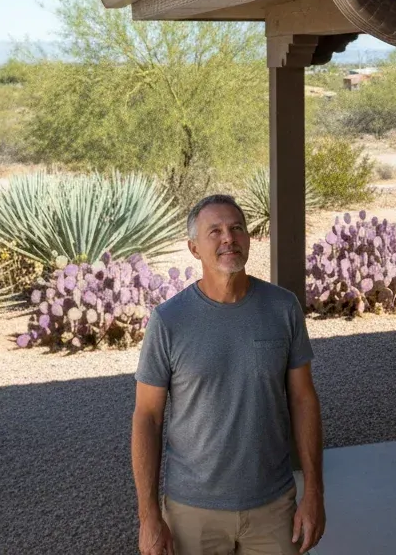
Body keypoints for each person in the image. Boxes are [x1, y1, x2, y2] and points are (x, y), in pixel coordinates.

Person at [132, 193, 326, 555]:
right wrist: (148, 516)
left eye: (237, 228)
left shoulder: (283, 308)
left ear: (249, 238)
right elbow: (147, 417)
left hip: (273, 505)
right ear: (194, 248)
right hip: (193, 512)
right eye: (215, 231)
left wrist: (314, 492)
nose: (228, 238)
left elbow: (303, 399)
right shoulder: (169, 321)